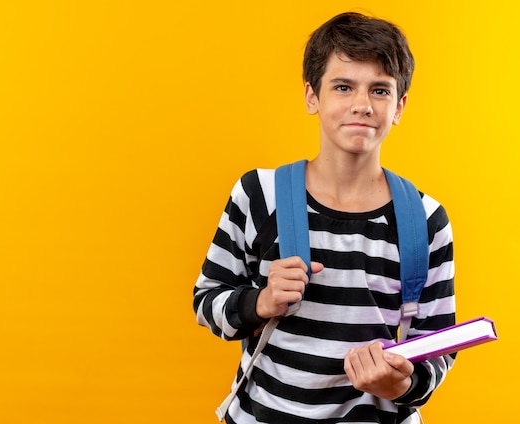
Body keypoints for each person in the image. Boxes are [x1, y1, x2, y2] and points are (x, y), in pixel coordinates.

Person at [193, 11, 456, 424]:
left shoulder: (427, 220)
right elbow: (206, 302)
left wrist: (401, 387)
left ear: (400, 106)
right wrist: (260, 301)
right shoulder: (259, 195)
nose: (362, 105)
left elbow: (437, 347)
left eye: (380, 90)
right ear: (312, 97)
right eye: (343, 86)